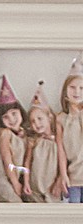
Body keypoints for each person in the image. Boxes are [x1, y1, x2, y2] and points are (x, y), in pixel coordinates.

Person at [26, 89, 64, 201]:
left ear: (49, 117)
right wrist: (26, 182)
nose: (36, 124)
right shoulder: (34, 141)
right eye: (33, 121)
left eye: (39, 119)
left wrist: (59, 181)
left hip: (52, 189)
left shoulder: (58, 140)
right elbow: (27, 163)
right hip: (34, 189)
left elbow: (64, 163)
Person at [0, 91, 30, 202]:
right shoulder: (5, 133)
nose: (11, 119)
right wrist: (15, 183)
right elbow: (7, 159)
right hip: (3, 180)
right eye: (5, 117)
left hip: (15, 178)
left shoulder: (23, 134)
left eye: (14, 113)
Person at [56, 58, 83, 203]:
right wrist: (63, 174)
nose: (77, 92)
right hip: (73, 177)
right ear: (65, 90)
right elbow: (61, 149)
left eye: (81, 88)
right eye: (72, 87)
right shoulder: (61, 119)